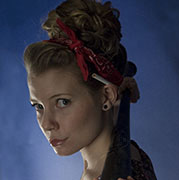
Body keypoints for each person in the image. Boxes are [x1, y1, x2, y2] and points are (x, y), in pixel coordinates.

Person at [23, 0, 157, 179]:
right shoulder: (131, 154)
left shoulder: (118, 172)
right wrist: (120, 90)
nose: (47, 124)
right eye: (38, 106)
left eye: (63, 102)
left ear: (107, 96)